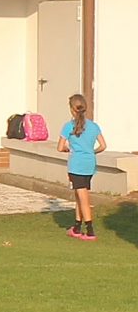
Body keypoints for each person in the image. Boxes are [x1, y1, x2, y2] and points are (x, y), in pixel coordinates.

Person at [57, 94, 106, 241]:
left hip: (76, 165)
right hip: (89, 163)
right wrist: (92, 152)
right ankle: (77, 227)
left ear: (72, 109)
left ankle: (90, 230)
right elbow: (103, 145)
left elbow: (60, 147)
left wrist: (67, 149)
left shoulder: (68, 126)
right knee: (80, 194)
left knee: (83, 197)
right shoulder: (94, 126)